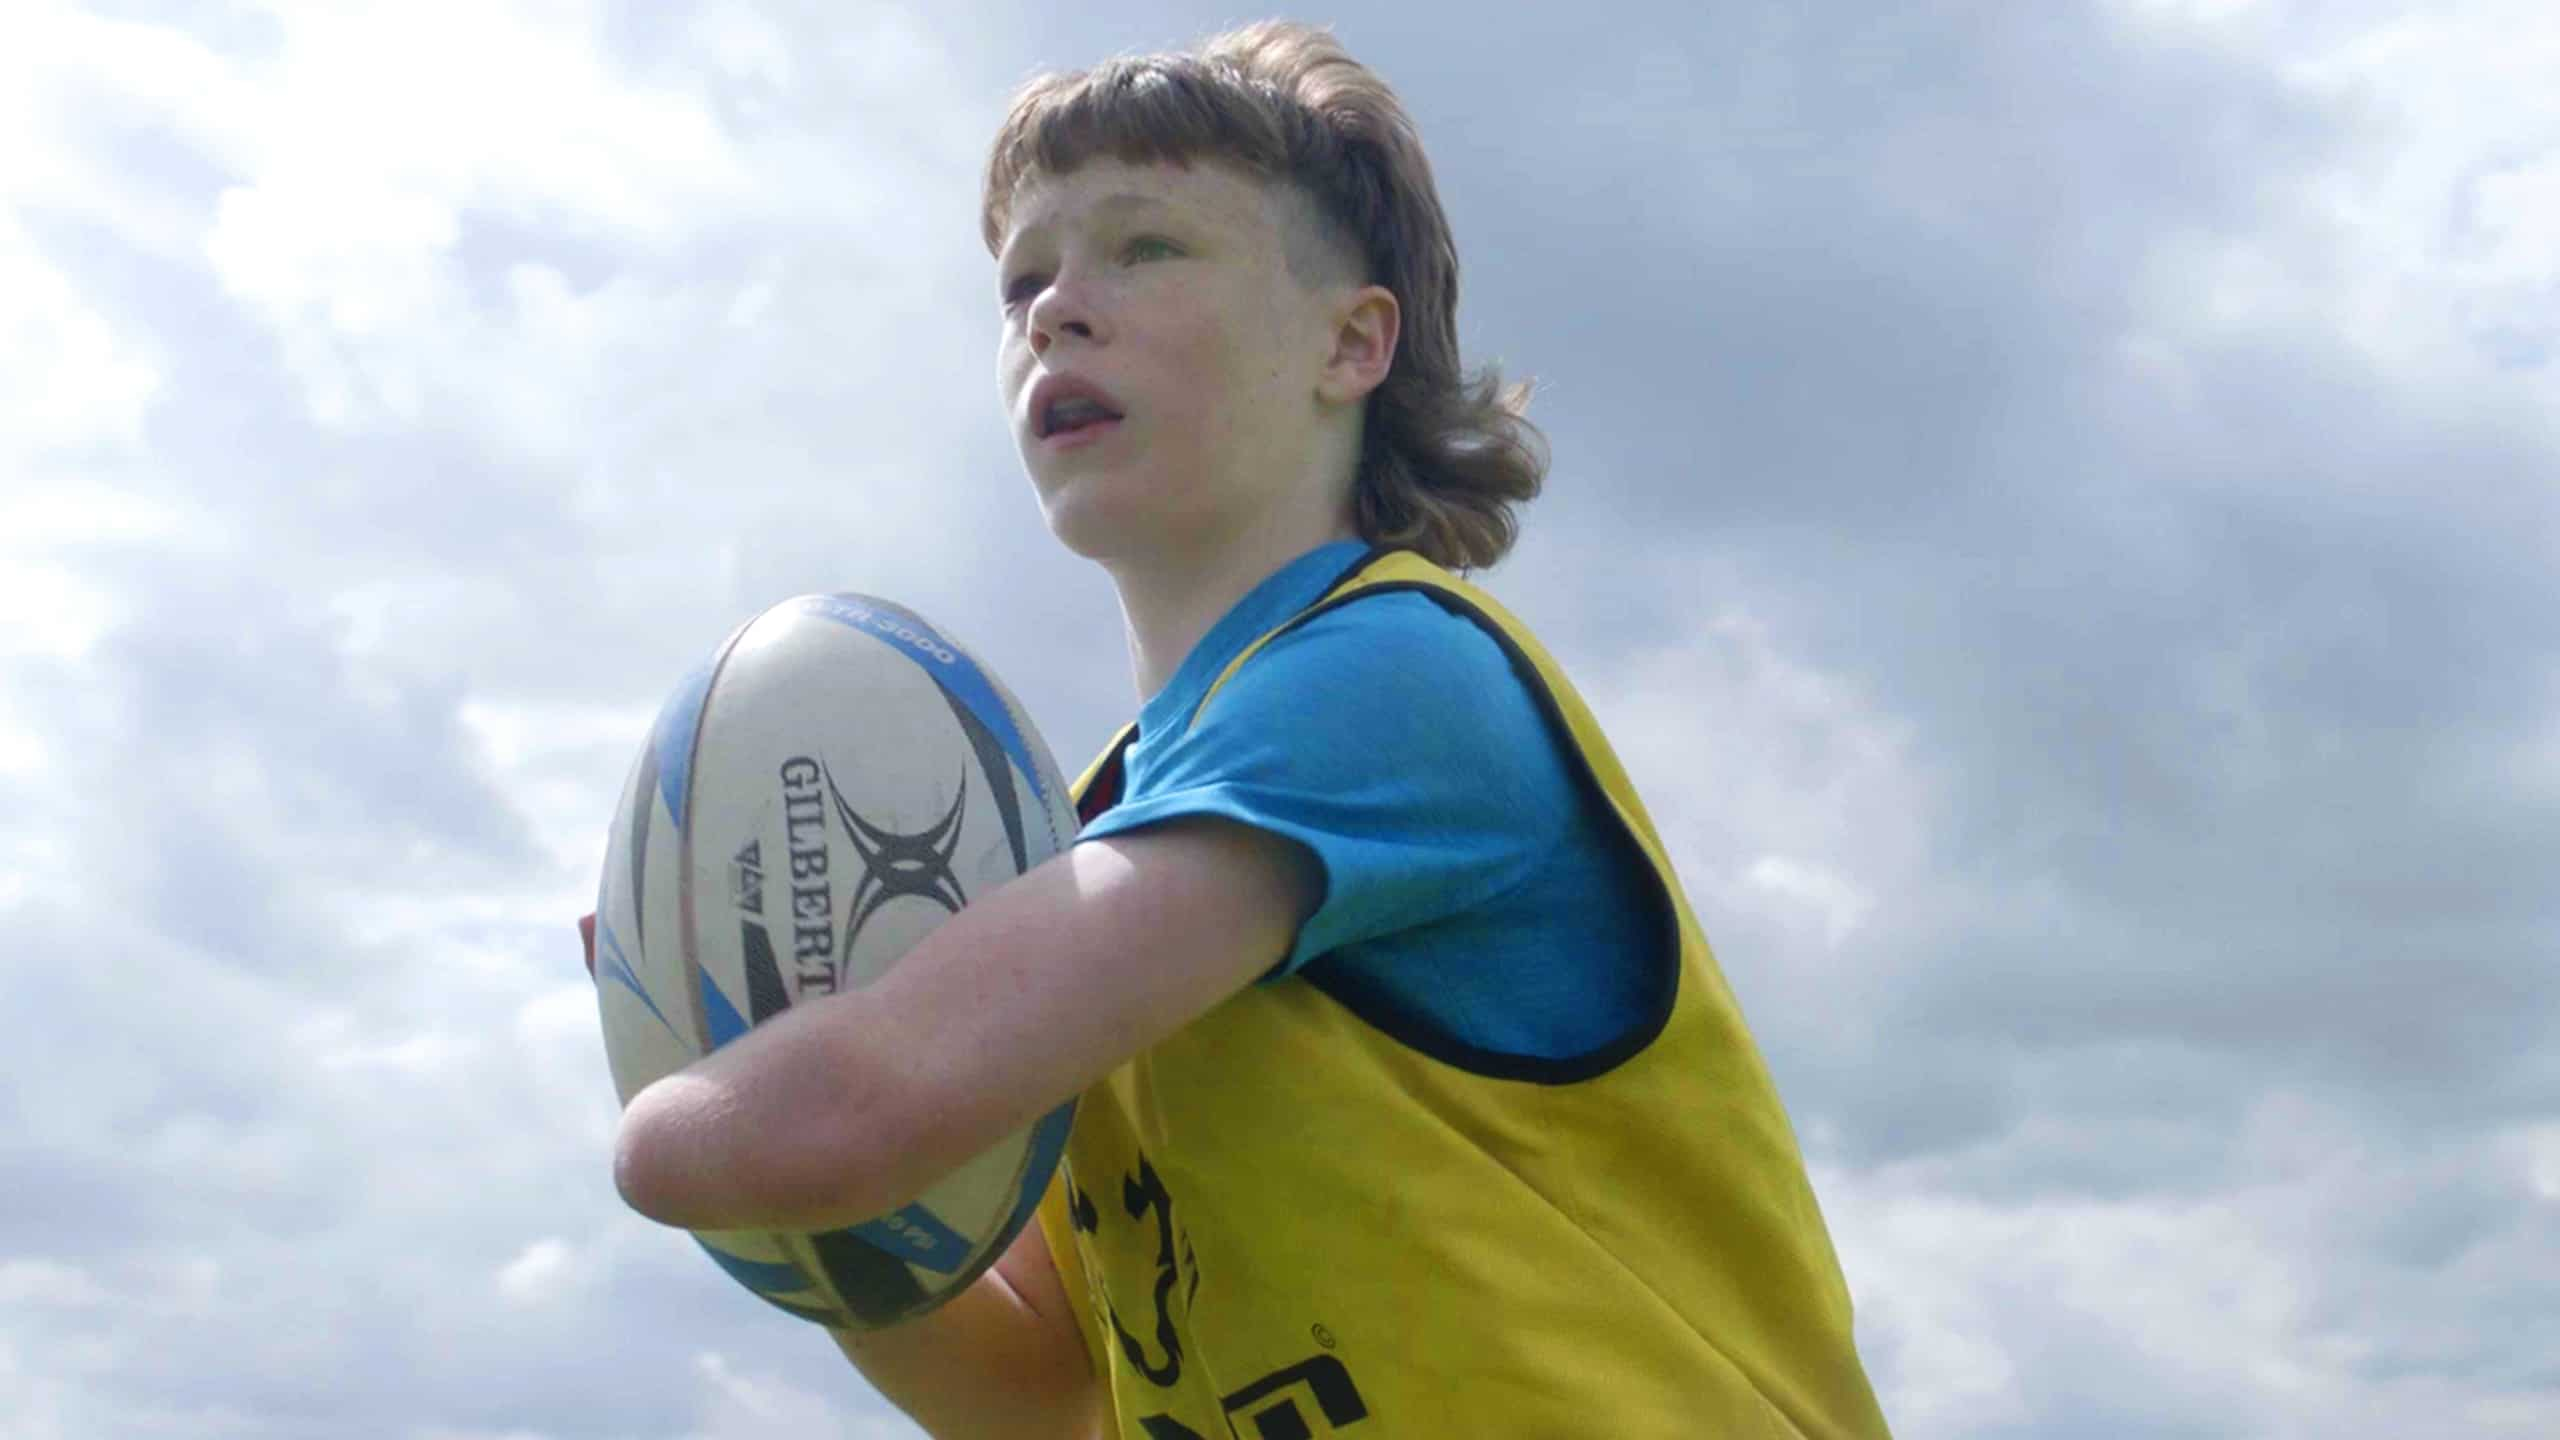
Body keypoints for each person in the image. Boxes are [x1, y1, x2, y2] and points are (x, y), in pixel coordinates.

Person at [600, 20, 1891, 1439]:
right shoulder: (1093, 840)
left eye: (1144, 249)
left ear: (1353, 341)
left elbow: (844, 1118)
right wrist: (830, 1217)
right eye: (1023, 279)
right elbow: (1054, 1397)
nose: (1055, 309)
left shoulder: (1389, 680)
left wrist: (670, 1104)